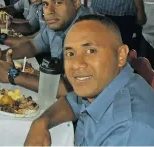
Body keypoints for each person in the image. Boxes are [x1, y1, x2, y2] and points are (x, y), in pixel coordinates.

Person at [24, 14, 154, 146]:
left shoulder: (129, 129)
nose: (76, 64)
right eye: (70, 54)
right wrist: (42, 122)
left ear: (121, 56)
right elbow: (72, 103)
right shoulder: (105, 85)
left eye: (91, 51)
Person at [0, 0, 94, 97]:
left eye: (57, 2)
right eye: (46, 4)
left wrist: (14, 75)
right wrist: (1, 55)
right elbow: (32, 46)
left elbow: (71, 89)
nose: (49, 11)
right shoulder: (59, 21)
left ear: (76, 2)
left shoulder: (89, 31)